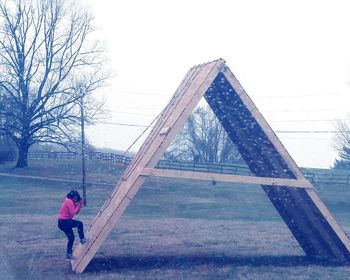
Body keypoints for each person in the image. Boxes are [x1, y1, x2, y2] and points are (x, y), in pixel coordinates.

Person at [58, 190, 88, 261]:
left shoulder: (69, 201)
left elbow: (76, 212)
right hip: (64, 222)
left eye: (77, 198)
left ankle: (69, 255)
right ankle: (82, 239)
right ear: (72, 197)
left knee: (71, 238)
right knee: (79, 224)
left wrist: (80, 205)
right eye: (75, 197)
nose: (76, 199)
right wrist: (78, 205)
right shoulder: (69, 201)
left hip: (62, 223)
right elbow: (73, 213)